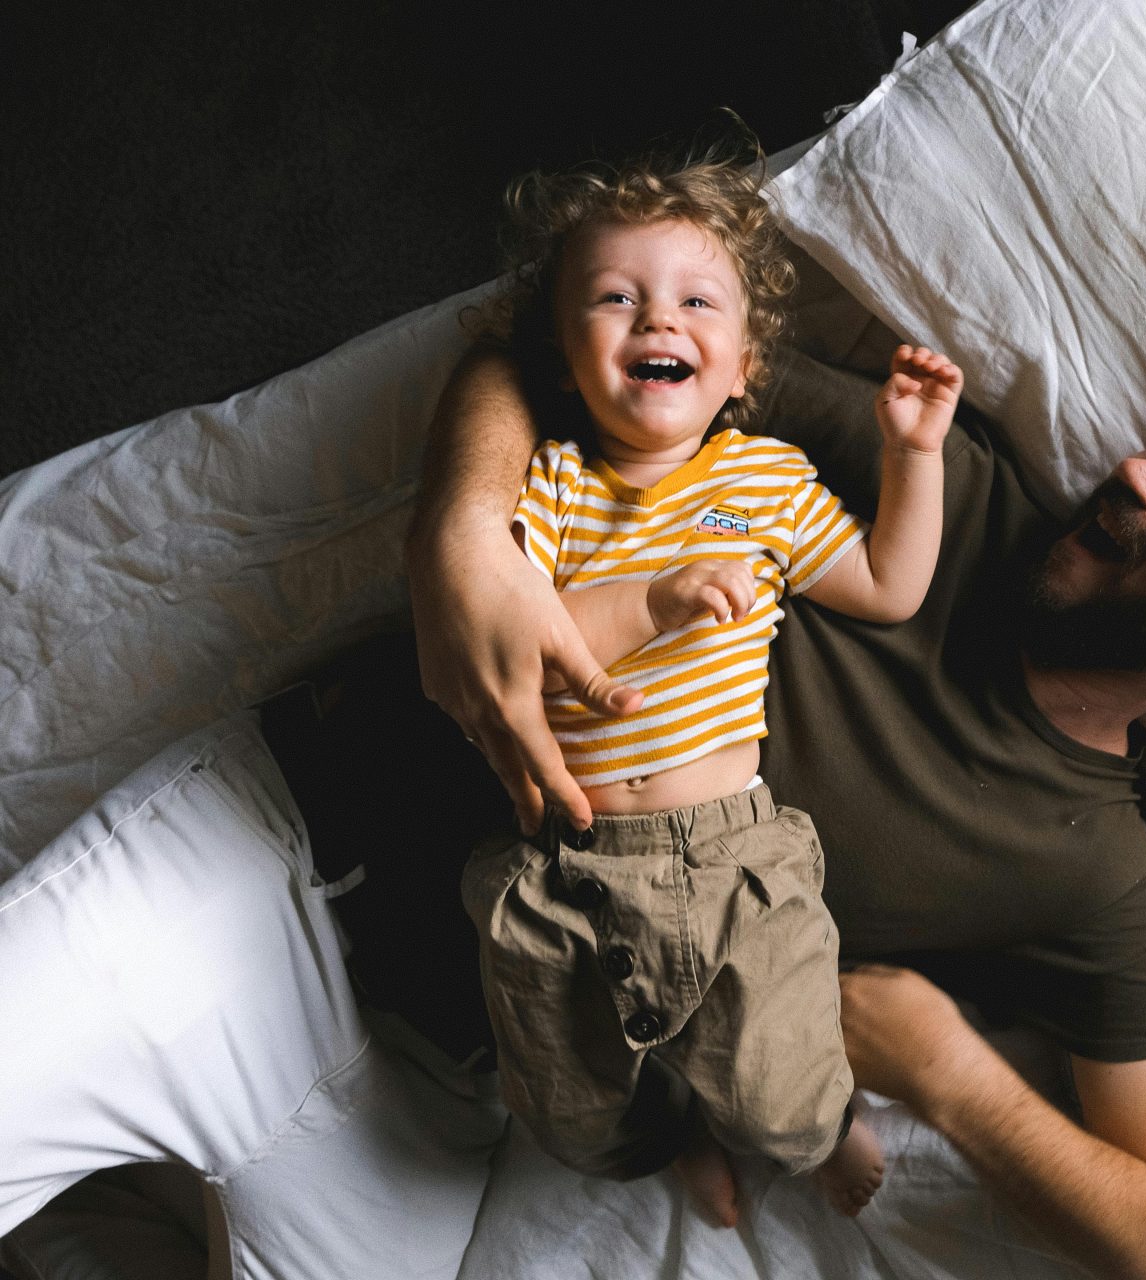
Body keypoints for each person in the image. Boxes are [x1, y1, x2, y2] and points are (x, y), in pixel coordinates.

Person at [410, 333, 1146, 1275]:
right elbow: (545, 338)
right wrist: (462, 533)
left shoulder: (1092, 873)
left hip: (464, 1031)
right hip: (355, 748)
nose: (1143, 470)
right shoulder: (939, 482)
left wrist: (953, 1073)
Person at [451, 154, 965, 1220]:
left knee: (779, 1080)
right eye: (615, 298)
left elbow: (888, 585)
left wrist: (915, 456)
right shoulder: (548, 485)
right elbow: (522, 643)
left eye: (695, 300)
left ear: (739, 365)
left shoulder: (763, 480)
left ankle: (811, 1127)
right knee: (569, 1107)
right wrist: (650, 601)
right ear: (564, 352)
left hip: (730, 855)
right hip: (565, 859)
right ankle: (661, 1136)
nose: (658, 319)